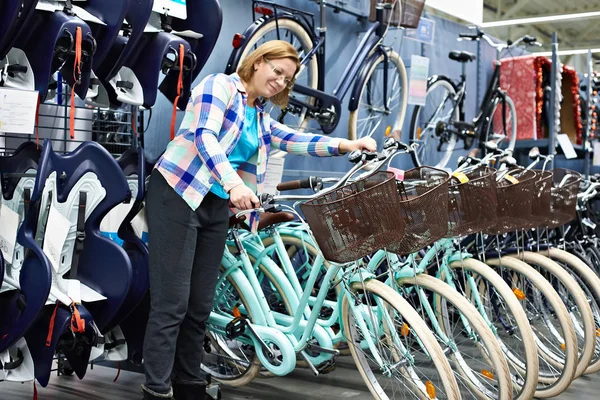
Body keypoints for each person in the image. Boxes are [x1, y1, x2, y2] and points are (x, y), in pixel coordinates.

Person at [141, 40, 377, 400]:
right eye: (277, 71)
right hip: (177, 193)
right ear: (257, 62)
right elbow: (203, 135)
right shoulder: (218, 87)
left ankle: (188, 385)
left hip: (215, 204)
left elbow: (295, 139)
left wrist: (346, 145)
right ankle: (156, 391)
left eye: (288, 79)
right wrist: (233, 182)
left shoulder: (260, 116)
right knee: (172, 303)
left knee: (200, 304)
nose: (281, 82)